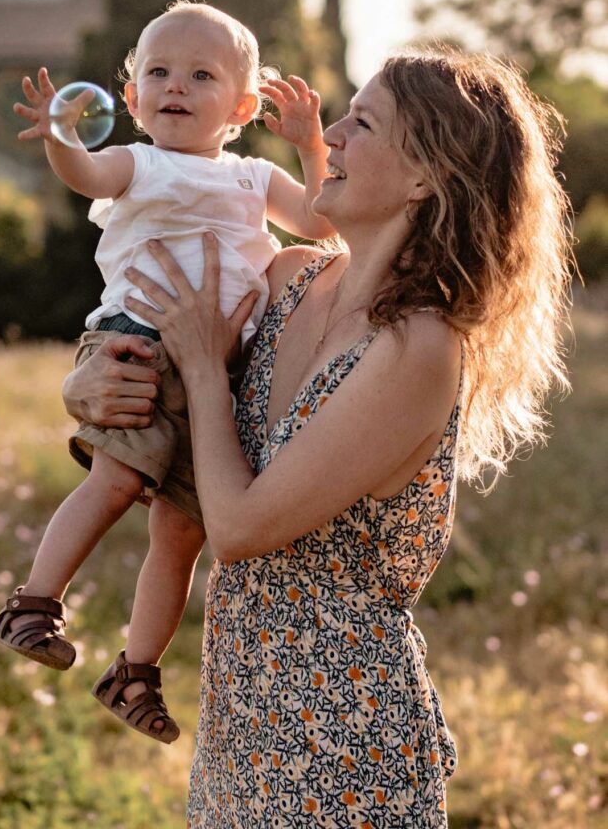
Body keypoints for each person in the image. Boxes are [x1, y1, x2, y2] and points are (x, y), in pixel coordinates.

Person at [62, 49, 572, 826]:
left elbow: (238, 528)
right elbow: (166, 400)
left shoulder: (418, 347)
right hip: (239, 725)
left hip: (346, 747)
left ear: (423, 176)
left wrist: (203, 369)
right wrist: (85, 387)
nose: (329, 133)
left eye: (361, 123)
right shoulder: (285, 278)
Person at [0, 1, 335, 744]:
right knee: (115, 482)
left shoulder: (254, 176)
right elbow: (86, 173)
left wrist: (311, 145)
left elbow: (319, 220)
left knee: (182, 529)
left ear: (242, 107)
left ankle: (135, 671)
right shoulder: (137, 163)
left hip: (217, 369)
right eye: (158, 72)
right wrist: (60, 136)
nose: (175, 85)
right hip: (138, 346)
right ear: (134, 97)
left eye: (201, 75)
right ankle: (34, 603)